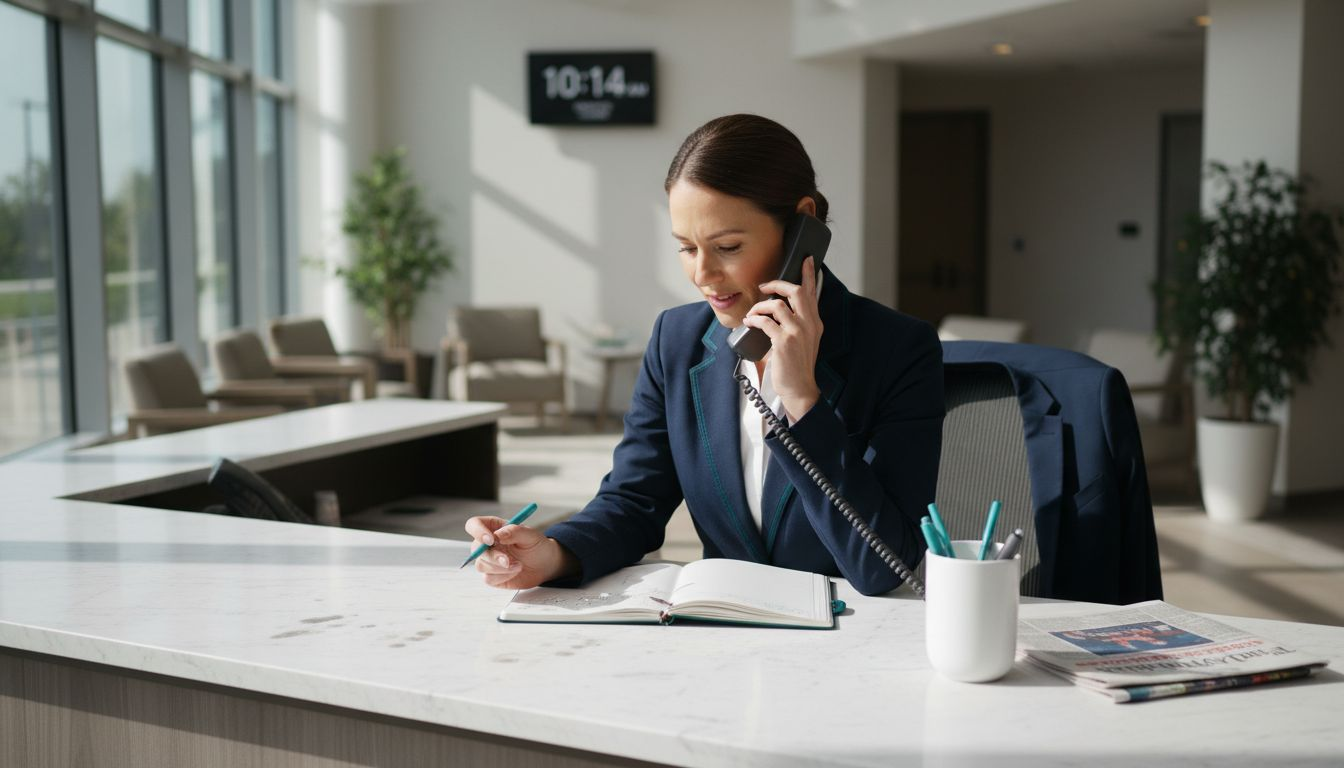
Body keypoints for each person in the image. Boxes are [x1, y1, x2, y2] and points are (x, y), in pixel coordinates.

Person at [465, 114, 944, 596]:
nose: (702, 274)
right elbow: (633, 502)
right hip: (722, 637)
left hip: (849, 642)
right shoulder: (677, 340)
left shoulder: (898, 350)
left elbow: (883, 565)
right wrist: (554, 553)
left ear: (805, 224)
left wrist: (802, 401)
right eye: (686, 248)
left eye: (727, 246)